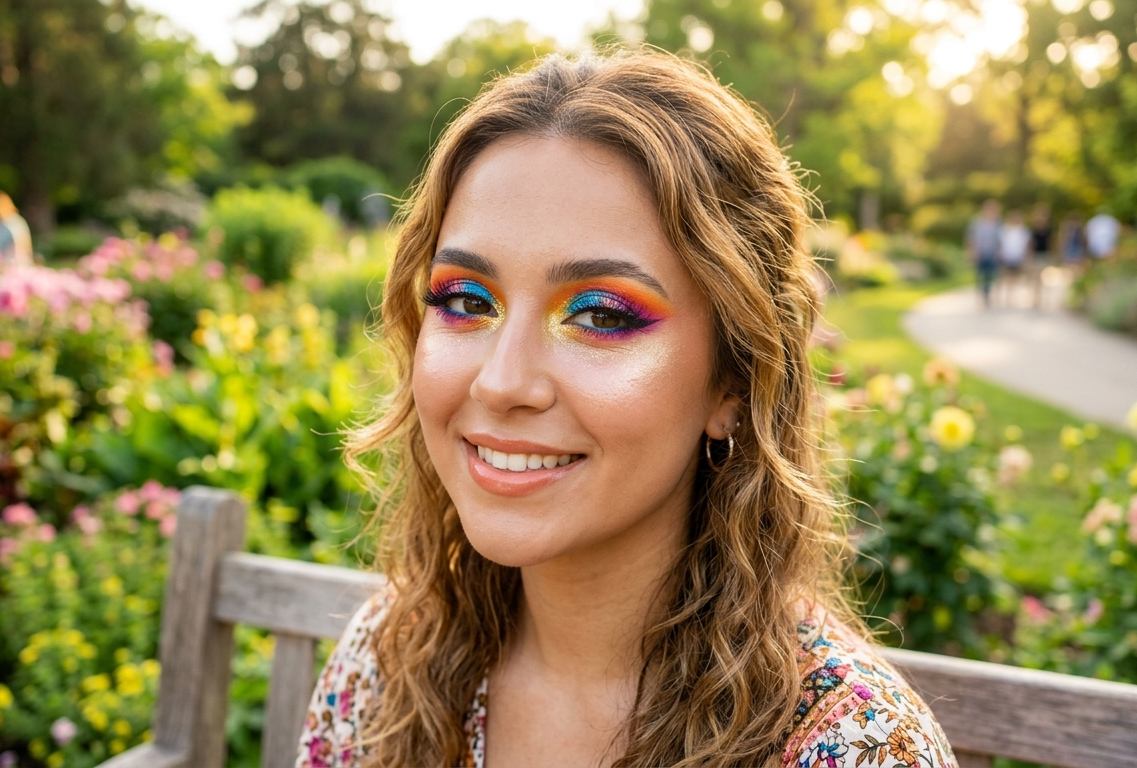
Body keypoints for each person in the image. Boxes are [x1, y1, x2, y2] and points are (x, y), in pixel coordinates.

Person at [295, 51, 957, 768]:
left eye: (600, 315)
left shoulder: (849, 748)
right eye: (466, 301)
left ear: (733, 381)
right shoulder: (387, 661)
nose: (501, 382)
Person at [965, 199, 1002, 308]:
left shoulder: (998, 223)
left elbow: (1000, 239)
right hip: (980, 253)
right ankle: (982, 297)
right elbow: (971, 239)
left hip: (993, 254)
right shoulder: (976, 222)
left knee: (991, 275)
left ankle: (989, 296)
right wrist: (971, 252)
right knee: (981, 276)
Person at [999, 210, 1031, 307]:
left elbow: (1026, 245)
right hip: (1007, 256)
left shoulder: (1023, 231)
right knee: (1007, 276)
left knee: (1015, 277)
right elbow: (1002, 244)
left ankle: (1012, 295)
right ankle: (1008, 296)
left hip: (1018, 257)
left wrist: (1025, 256)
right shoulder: (1005, 230)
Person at [1027, 203, 1052, 308]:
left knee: (1045, 278)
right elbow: (1031, 244)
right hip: (1037, 255)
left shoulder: (1049, 229)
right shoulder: (1034, 229)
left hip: (1045, 254)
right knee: (1036, 278)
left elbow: (1052, 243)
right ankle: (1036, 299)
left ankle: (1043, 298)